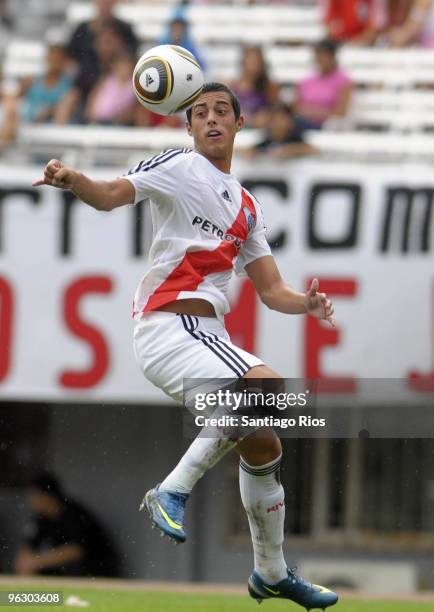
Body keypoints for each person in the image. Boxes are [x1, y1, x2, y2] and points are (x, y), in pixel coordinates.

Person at [32, 82, 338, 609]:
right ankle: (171, 490)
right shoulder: (179, 165)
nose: (212, 119)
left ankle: (271, 572)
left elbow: (271, 290)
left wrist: (305, 305)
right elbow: (109, 195)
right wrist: (73, 178)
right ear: (189, 128)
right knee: (266, 383)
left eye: (222, 111)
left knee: (264, 444)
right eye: (200, 113)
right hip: (169, 326)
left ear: (241, 124)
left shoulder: (246, 207)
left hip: (204, 336)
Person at [13, 472, 119, 577]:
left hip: (95, 571)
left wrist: (36, 562)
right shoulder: (41, 518)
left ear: (47, 495)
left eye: (33, 494)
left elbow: (75, 551)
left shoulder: (74, 513)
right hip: (61, 571)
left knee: (72, 566)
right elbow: (27, 546)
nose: (30, 499)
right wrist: (25, 562)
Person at [294, 39, 353, 130]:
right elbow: (297, 107)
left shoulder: (343, 80)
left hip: (326, 125)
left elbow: (341, 112)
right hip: (302, 122)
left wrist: (313, 112)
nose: (320, 59)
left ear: (332, 57)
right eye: (318, 55)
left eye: (324, 56)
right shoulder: (306, 81)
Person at [241, 102, 319, 159]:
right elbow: (253, 150)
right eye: (275, 120)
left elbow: (313, 150)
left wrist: (289, 150)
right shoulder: (267, 139)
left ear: (290, 121)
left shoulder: (295, 137)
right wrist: (251, 152)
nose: (278, 124)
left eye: (282, 120)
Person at [21, 43, 73, 124]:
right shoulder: (32, 81)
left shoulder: (69, 84)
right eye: (52, 57)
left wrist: (50, 110)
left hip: (51, 127)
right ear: (46, 58)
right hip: (28, 124)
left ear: (64, 60)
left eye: (58, 58)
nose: (54, 61)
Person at [230, 46, 280, 128]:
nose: (253, 66)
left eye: (256, 62)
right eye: (250, 62)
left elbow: (272, 115)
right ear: (243, 63)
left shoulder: (270, 87)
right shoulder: (232, 87)